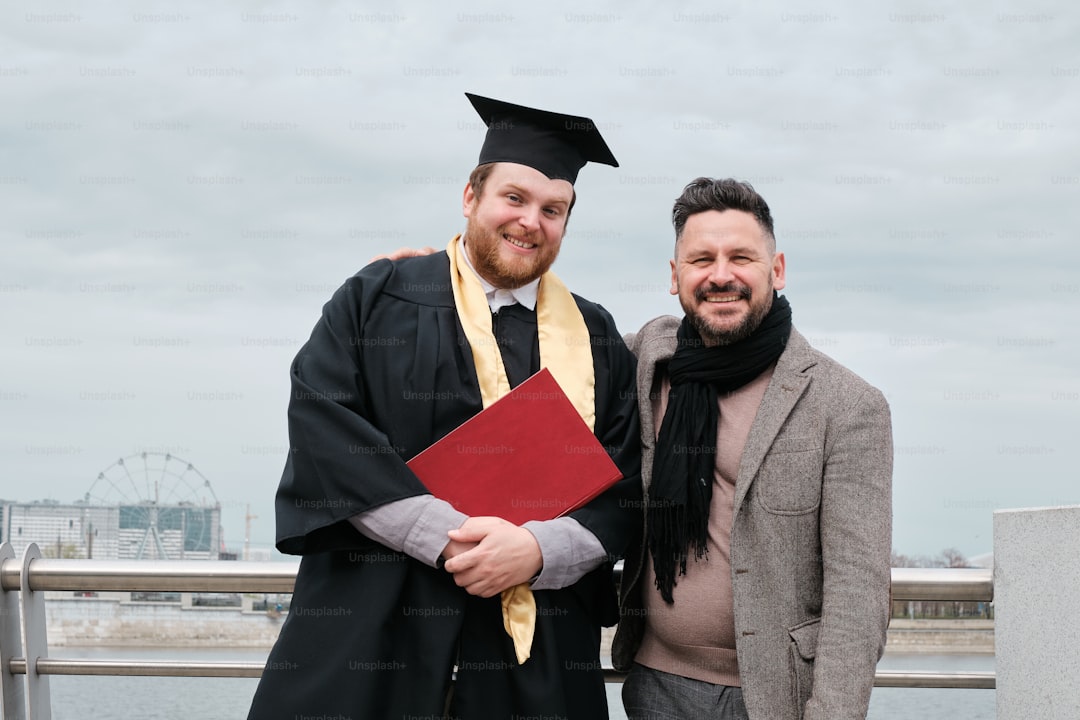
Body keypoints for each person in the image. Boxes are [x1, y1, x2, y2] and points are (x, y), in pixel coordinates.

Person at [246, 94, 642, 720]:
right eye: (514, 198)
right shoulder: (378, 298)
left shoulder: (593, 337)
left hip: (534, 656)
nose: (530, 221)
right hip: (375, 632)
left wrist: (537, 552)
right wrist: (449, 540)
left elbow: (624, 485)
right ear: (471, 197)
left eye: (553, 209)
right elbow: (327, 430)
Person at [611, 177, 893, 720]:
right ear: (675, 276)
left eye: (741, 256)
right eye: (701, 259)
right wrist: (431, 279)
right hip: (654, 686)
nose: (721, 275)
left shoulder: (849, 405)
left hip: (774, 698)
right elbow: (545, 353)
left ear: (777, 269)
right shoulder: (646, 359)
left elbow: (858, 591)